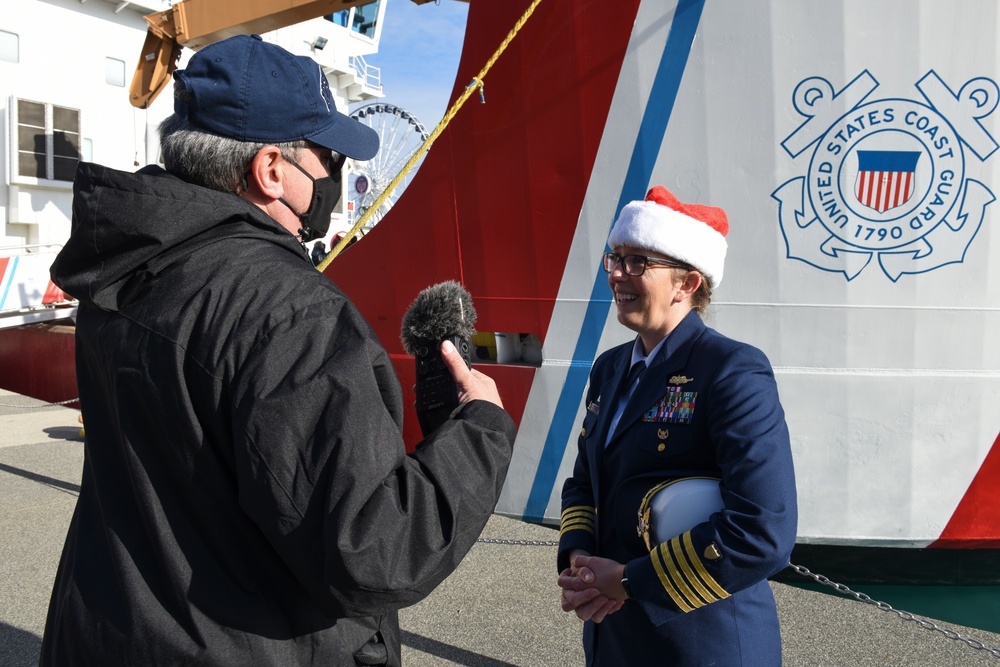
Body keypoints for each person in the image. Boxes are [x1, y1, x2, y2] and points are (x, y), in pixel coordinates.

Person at [41, 34, 516, 666]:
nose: (333, 174)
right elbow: (374, 552)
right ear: (270, 170)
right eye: (326, 155)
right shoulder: (291, 312)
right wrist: (477, 428)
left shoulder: (121, 276)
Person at [556, 186, 797, 665]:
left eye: (638, 262)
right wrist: (578, 558)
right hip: (615, 637)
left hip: (702, 641)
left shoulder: (731, 370)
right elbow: (585, 482)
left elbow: (764, 530)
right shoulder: (610, 368)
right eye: (615, 258)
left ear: (687, 283)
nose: (618, 274)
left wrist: (627, 582)